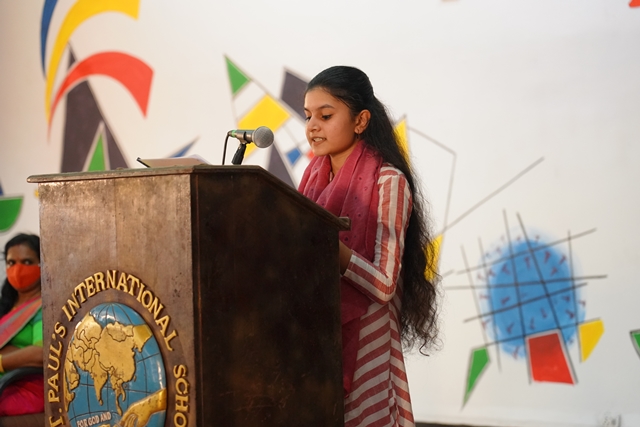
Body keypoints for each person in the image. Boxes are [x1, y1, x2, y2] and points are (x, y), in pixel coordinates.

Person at [298, 66, 440, 427]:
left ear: (361, 120)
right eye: (308, 116)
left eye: (325, 116)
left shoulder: (388, 182)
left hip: (367, 345)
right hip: (315, 339)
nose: (312, 126)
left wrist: (332, 249)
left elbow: (384, 284)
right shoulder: (311, 178)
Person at [0, 233, 44, 416]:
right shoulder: (5, 308)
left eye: (27, 262)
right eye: (11, 262)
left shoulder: (45, 306)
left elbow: (42, 352)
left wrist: (2, 361)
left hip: (27, 387)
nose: (18, 269)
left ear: (42, 264)